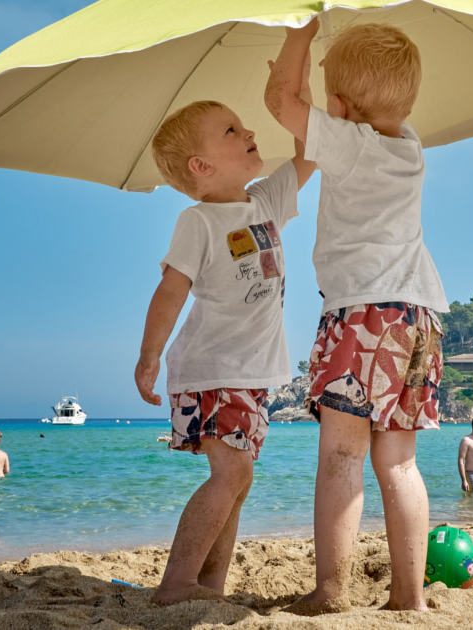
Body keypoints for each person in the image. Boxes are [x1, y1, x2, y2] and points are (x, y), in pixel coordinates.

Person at [266, 19, 445, 615]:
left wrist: (299, 35)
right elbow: (308, 118)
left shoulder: (349, 142)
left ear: (340, 109)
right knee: (400, 461)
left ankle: (331, 590)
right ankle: (409, 598)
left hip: (363, 314)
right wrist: (329, 101)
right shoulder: (409, 146)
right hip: (419, 316)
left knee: (342, 454)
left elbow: (281, 103)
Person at [134, 89, 314, 606]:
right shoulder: (199, 221)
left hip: (252, 375)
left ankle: (207, 587)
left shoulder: (266, 201)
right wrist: (149, 357)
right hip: (212, 369)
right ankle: (176, 584)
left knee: (240, 480)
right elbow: (170, 290)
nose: (250, 132)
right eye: (232, 131)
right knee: (230, 472)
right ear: (202, 165)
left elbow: (309, 153)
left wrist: (297, 94)